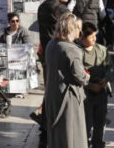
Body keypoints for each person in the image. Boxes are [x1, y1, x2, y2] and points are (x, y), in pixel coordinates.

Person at [34, 0, 72, 147]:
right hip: (58, 57)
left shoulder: (44, 6)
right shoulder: (57, 8)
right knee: (56, 94)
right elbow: (73, 28)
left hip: (48, 56)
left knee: (50, 93)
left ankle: (45, 129)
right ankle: (49, 129)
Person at [44, 13, 89, 148]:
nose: (80, 32)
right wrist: (87, 76)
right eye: (78, 28)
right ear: (71, 28)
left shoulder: (51, 44)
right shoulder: (72, 49)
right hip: (68, 98)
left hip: (53, 95)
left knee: (57, 136)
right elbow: (80, 77)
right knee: (72, 135)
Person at [79, 22, 113, 148]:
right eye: (91, 36)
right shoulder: (77, 52)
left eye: (95, 36)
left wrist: (106, 79)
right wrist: (90, 86)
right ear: (82, 38)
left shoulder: (102, 50)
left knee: (100, 121)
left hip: (101, 91)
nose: (94, 39)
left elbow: (110, 67)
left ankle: (98, 143)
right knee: (86, 122)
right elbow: (76, 74)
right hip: (85, 93)